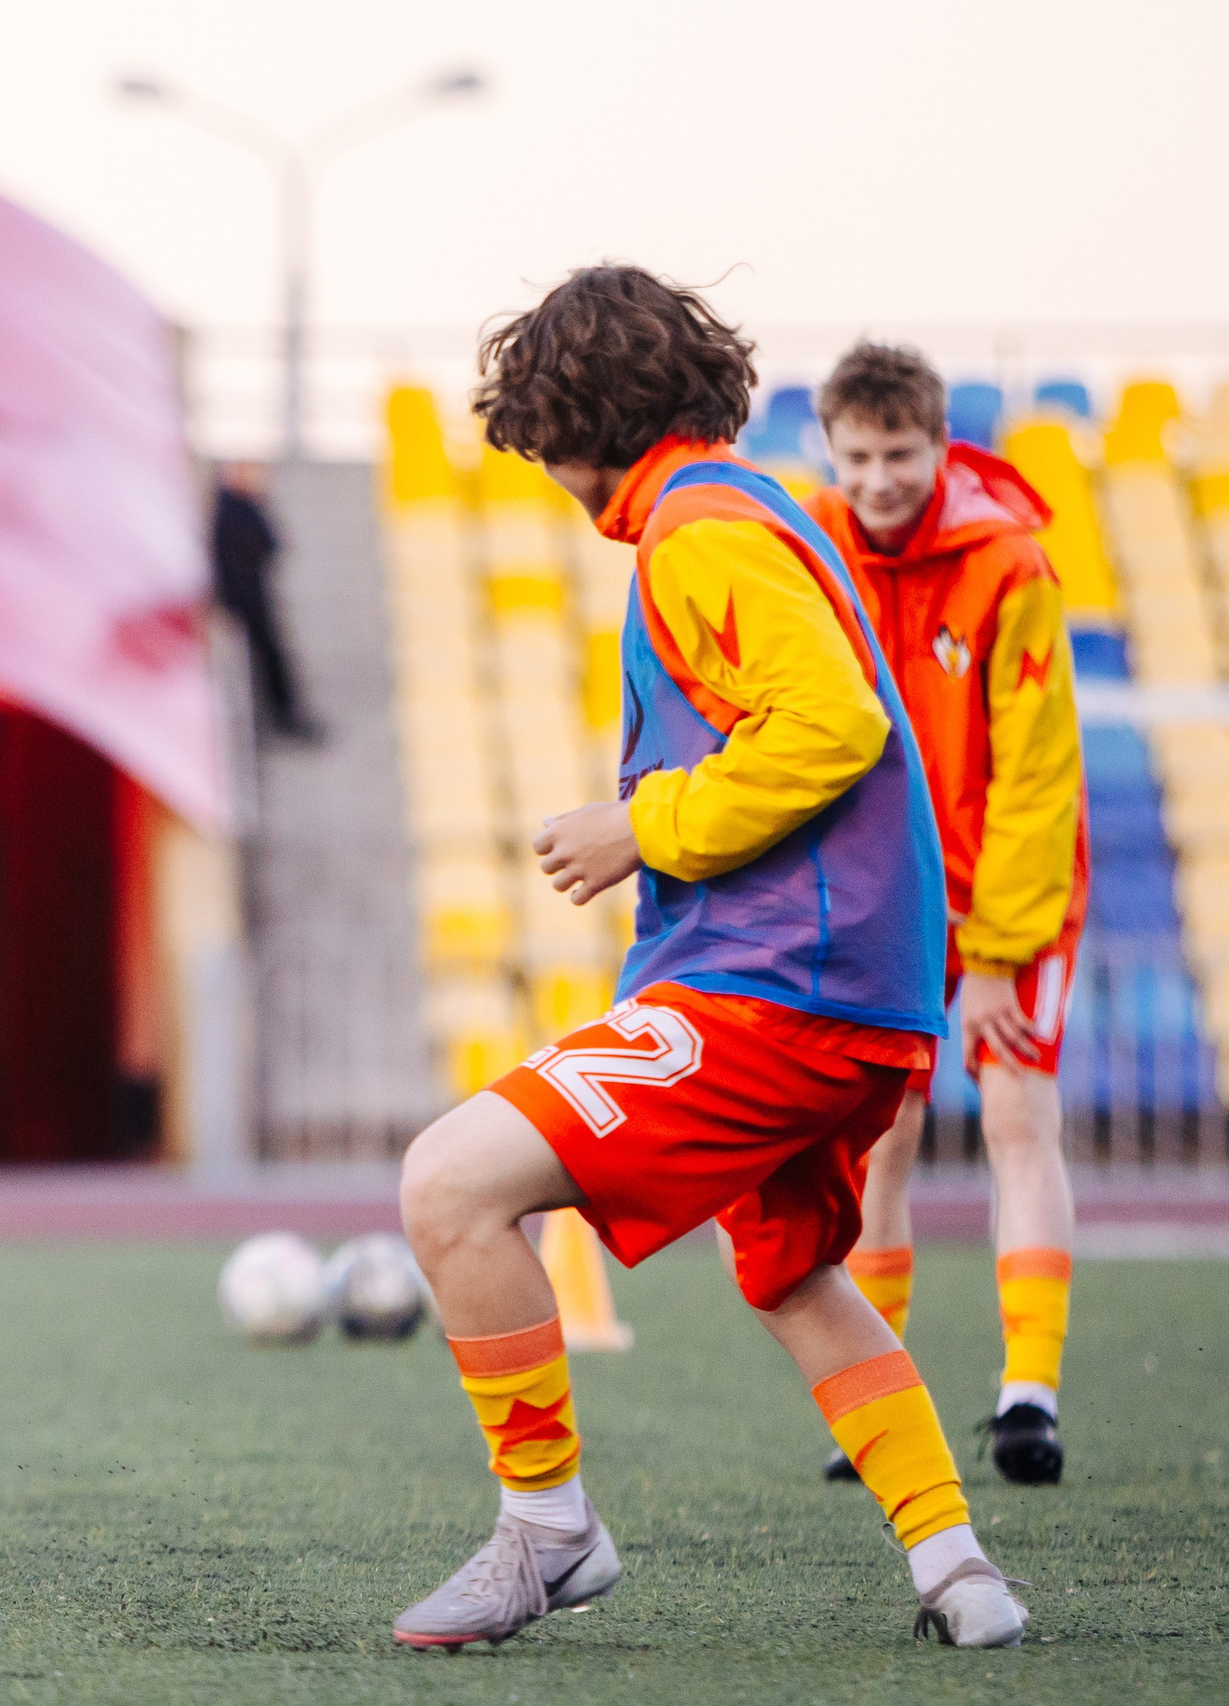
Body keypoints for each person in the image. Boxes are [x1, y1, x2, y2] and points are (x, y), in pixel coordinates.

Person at [388, 266, 1026, 1650]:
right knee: (796, 1272)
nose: (547, 476)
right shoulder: (755, 508)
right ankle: (960, 1567)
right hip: (857, 993)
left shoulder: (696, 529)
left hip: (774, 985)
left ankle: (547, 1528)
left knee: (446, 1184)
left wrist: (641, 826)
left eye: (542, 441)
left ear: (578, 422)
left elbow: (832, 724)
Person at [805, 342, 1086, 1487]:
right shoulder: (807, 546)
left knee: (1016, 1113)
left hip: (1008, 891)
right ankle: (881, 1401)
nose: (878, 477)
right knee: (881, 1143)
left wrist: (993, 950)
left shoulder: (1009, 566)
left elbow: (1035, 772)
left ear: (938, 445)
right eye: (858, 454)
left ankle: (1030, 1394)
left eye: (900, 453)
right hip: (886, 896)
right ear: (830, 447)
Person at [209, 463, 321, 741]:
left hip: (247, 598)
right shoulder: (234, 509)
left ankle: (280, 715)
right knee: (263, 660)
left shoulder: (235, 507)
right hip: (245, 600)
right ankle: (279, 717)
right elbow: (264, 545)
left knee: (267, 659)